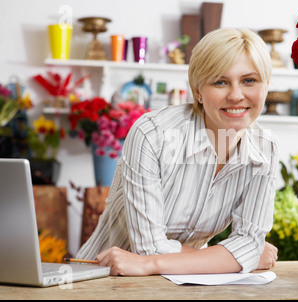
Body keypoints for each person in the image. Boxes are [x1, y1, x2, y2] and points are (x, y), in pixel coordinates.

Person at [76, 28, 279, 276]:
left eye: (249, 80)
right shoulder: (152, 134)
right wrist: (236, 258)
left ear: (266, 85)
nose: (236, 95)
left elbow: (250, 243)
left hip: (186, 284)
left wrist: (244, 253)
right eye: (220, 82)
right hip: (101, 278)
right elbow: (150, 248)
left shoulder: (265, 149)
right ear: (198, 91)